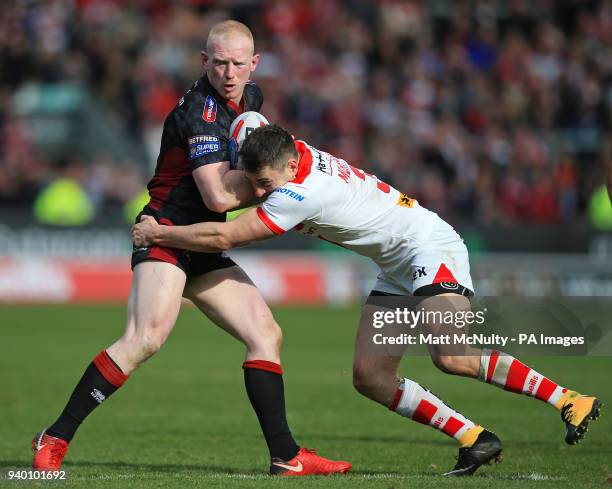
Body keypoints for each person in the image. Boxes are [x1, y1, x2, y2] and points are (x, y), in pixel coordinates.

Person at [133, 124, 603, 476]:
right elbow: (245, 120)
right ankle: (473, 437)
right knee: (371, 376)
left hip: (427, 245)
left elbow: (224, 234)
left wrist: (161, 231)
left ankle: (569, 398)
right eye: (253, 183)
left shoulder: (299, 193)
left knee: (453, 355)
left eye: (264, 185)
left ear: (291, 167)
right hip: (397, 265)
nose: (256, 194)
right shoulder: (279, 148)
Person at [32, 22, 351, 477]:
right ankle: (54, 437)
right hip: (165, 233)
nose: (229, 72)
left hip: (201, 241)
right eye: (219, 62)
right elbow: (218, 198)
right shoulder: (199, 113)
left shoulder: (250, 100)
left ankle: (287, 457)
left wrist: (272, 181)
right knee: (146, 339)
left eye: (239, 63)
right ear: (205, 62)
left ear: (254, 64)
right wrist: (277, 187)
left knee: (266, 334)